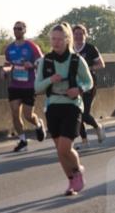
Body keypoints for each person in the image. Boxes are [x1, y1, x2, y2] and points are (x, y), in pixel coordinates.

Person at [34, 23, 94, 196]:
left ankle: (77, 171)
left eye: (60, 39)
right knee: (59, 148)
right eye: (53, 39)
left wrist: (79, 89)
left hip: (72, 106)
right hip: (53, 106)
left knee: (64, 147)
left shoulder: (76, 60)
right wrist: (50, 80)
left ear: (67, 39)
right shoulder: (46, 61)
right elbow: (37, 87)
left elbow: (89, 82)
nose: (56, 42)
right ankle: (71, 181)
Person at [2, 21, 46, 153]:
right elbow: (8, 63)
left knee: (28, 115)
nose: (16, 31)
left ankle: (38, 124)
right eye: (15, 28)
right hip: (15, 85)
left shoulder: (32, 46)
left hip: (29, 85)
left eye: (19, 28)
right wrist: (5, 70)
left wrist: (32, 65)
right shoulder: (9, 48)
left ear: (24, 30)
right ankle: (22, 140)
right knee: (15, 113)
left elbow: (41, 62)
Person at [72, 24, 106, 149]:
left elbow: (101, 64)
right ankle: (85, 140)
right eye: (76, 34)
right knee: (77, 113)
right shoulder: (69, 49)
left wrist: (89, 68)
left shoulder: (91, 48)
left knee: (85, 113)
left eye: (81, 34)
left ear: (85, 35)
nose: (78, 36)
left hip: (89, 84)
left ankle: (97, 127)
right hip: (74, 85)